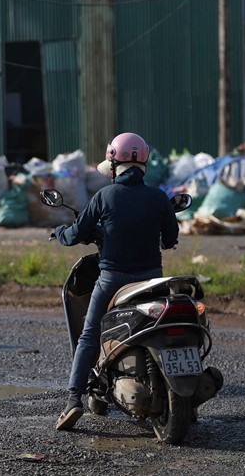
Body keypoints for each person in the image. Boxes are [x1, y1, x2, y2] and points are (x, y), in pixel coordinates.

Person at [53, 132, 179, 431]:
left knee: (89, 334)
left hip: (113, 278)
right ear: (143, 162)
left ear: (113, 163)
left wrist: (59, 232)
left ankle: (73, 400)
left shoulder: (104, 196)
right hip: (152, 280)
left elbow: (75, 234)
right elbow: (170, 238)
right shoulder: (159, 197)